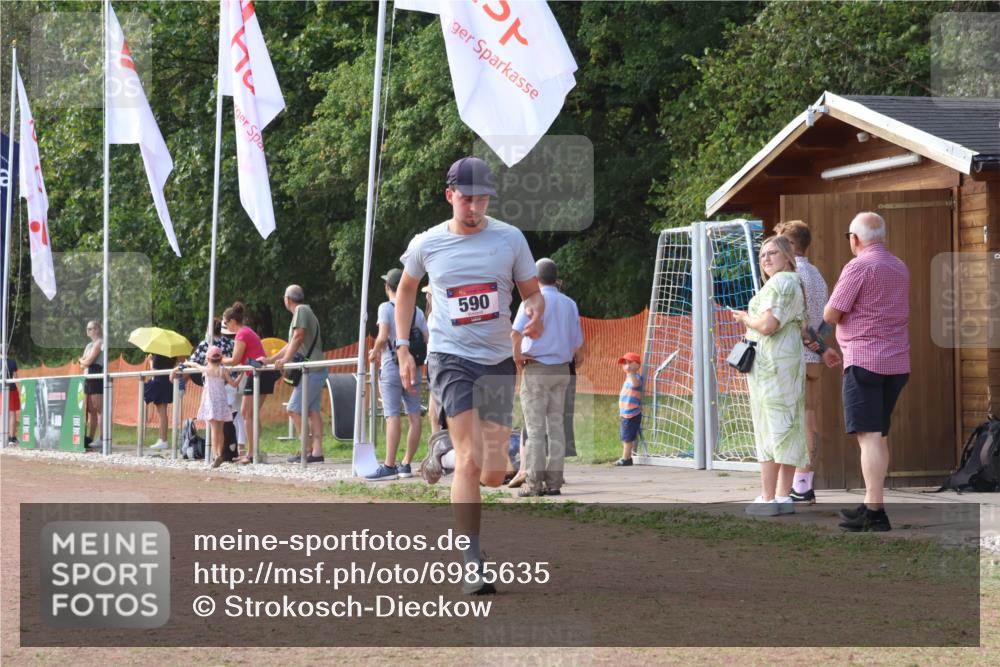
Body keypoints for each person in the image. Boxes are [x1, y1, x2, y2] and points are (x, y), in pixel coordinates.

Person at [394, 156, 543, 595]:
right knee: (472, 458)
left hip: (496, 359)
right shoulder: (427, 244)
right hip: (450, 356)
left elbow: (532, 295)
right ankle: (471, 560)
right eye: (466, 198)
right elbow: (405, 290)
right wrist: (404, 347)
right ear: (450, 196)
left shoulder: (509, 239)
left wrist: (533, 314)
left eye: (481, 199)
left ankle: (442, 454)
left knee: (495, 473)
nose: (474, 207)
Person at [824, 212, 909, 533]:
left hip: (864, 362)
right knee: (879, 435)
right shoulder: (900, 267)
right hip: (898, 362)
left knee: (869, 438)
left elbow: (831, 313)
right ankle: (873, 503)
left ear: (855, 238)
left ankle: (875, 513)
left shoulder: (858, 266)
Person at [731, 235, 809, 517]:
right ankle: (781, 495)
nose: (766, 259)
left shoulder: (781, 282)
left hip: (773, 366)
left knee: (771, 427)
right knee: (786, 426)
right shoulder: (792, 282)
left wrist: (744, 319)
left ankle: (768, 497)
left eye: (772, 253)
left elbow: (767, 324)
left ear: (787, 255)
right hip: (784, 363)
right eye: (762, 255)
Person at [511, 258, 584, 497]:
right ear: (556, 277)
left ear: (535, 277)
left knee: (534, 429)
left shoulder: (531, 301)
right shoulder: (570, 303)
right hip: (562, 370)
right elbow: (578, 346)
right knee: (556, 428)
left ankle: (533, 483)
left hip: (537, 368)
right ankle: (554, 482)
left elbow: (516, 334)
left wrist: (518, 360)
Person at [774, 220, 829, 503]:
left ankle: (802, 485)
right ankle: (802, 482)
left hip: (797, 353)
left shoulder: (794, 275)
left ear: (792, 245)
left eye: (780, 244)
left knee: (799, 420)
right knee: (808, 416)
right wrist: (820, 345)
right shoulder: (816, 273)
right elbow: (825, 317)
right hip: (814, 355)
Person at [367, 268, 429, 481]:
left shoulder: (385, 308)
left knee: (392, 415)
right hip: (414, 368)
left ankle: (389, 466)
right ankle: (406, 464)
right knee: (414, 415)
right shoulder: (417, 311)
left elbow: (383, 336)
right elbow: (427, 337)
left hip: (392, 368)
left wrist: (375, 351)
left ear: (387, 287)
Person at [269, 285, 328, 464]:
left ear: (287, 299)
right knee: (312, 410)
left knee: (293, 408)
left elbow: (298, 337)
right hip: (315, 368)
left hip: (311, 370)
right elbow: (291, 343)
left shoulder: (300, 310)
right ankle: (316, 452)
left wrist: (285, 360)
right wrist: (270, 359)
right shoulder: (306, 311)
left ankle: (306, 449)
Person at [221, 302, 274, 464]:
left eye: (225, 323)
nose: (225, 326)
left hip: (257, 374)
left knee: (246, 413)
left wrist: (220, 360)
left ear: (231, 321)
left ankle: (251, 454)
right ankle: (254, 451)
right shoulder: (247, 331)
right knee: (251, 414)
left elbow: (236, 359)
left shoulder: (241, 334)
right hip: (262, 373)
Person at [188, 345, 239, 468]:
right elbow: (234, 384)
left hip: (210, 403)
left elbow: (195, 365)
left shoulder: (206, 370)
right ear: (221, 358)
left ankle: (215, 455)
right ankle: (219, 453)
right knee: (220, 430)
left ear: (208, 358)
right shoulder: (223, 371)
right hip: (221, 402)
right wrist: (242, 374)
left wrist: (188, 362)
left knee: (213, 430)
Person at [615, 352, 643, 466]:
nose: (627, 366)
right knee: (625, 436)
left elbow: (635, 385)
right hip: (625, 413)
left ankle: (626, 458)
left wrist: (631, 373)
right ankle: (627, 457)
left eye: (629, 363)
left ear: (637, 365)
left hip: (632, 413)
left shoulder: (635, 377)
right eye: (625, 364)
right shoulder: (628, 378)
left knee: (627, 437)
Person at [79, 320, 103, 451]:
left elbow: (88, 361)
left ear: (97, 329)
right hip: (88, 376)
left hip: (96, 374)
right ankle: (91, 437)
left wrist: (84, 361)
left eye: (92, 328)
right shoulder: (89, 345)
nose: (89, 331)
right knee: (90, 410)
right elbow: (83, 364)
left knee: (99, 408)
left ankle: (103, 438)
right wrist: (84, 361)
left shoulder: (100, 342)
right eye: (88, 329)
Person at [144, 353, 176, 450]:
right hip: (167, 382)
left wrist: (150, 361)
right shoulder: (172, 355)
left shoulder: (158, 354)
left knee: (161, 413)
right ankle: (162, 439)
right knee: (162, 413)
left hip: (159, 382)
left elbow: (154, 371)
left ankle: (163, 439)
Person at [5, 351, 19, 446]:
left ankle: (2, 437)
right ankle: (11, 438)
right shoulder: (12, 363)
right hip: (11, 389)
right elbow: (15, 378)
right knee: (12, 413)